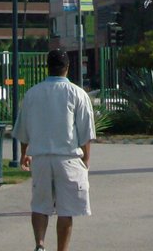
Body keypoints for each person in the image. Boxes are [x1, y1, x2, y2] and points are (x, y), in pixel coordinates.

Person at [12, 49, 96, 251]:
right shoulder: (77, 94)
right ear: (67, 68)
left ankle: (40, 243)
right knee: (66, 210)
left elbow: (24, 129)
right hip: (68, 157)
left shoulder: (32, 94)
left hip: (40, 157)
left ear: (47, 68)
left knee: (40, 205)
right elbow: (85, 132)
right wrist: (86, 160)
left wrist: (24, 154)